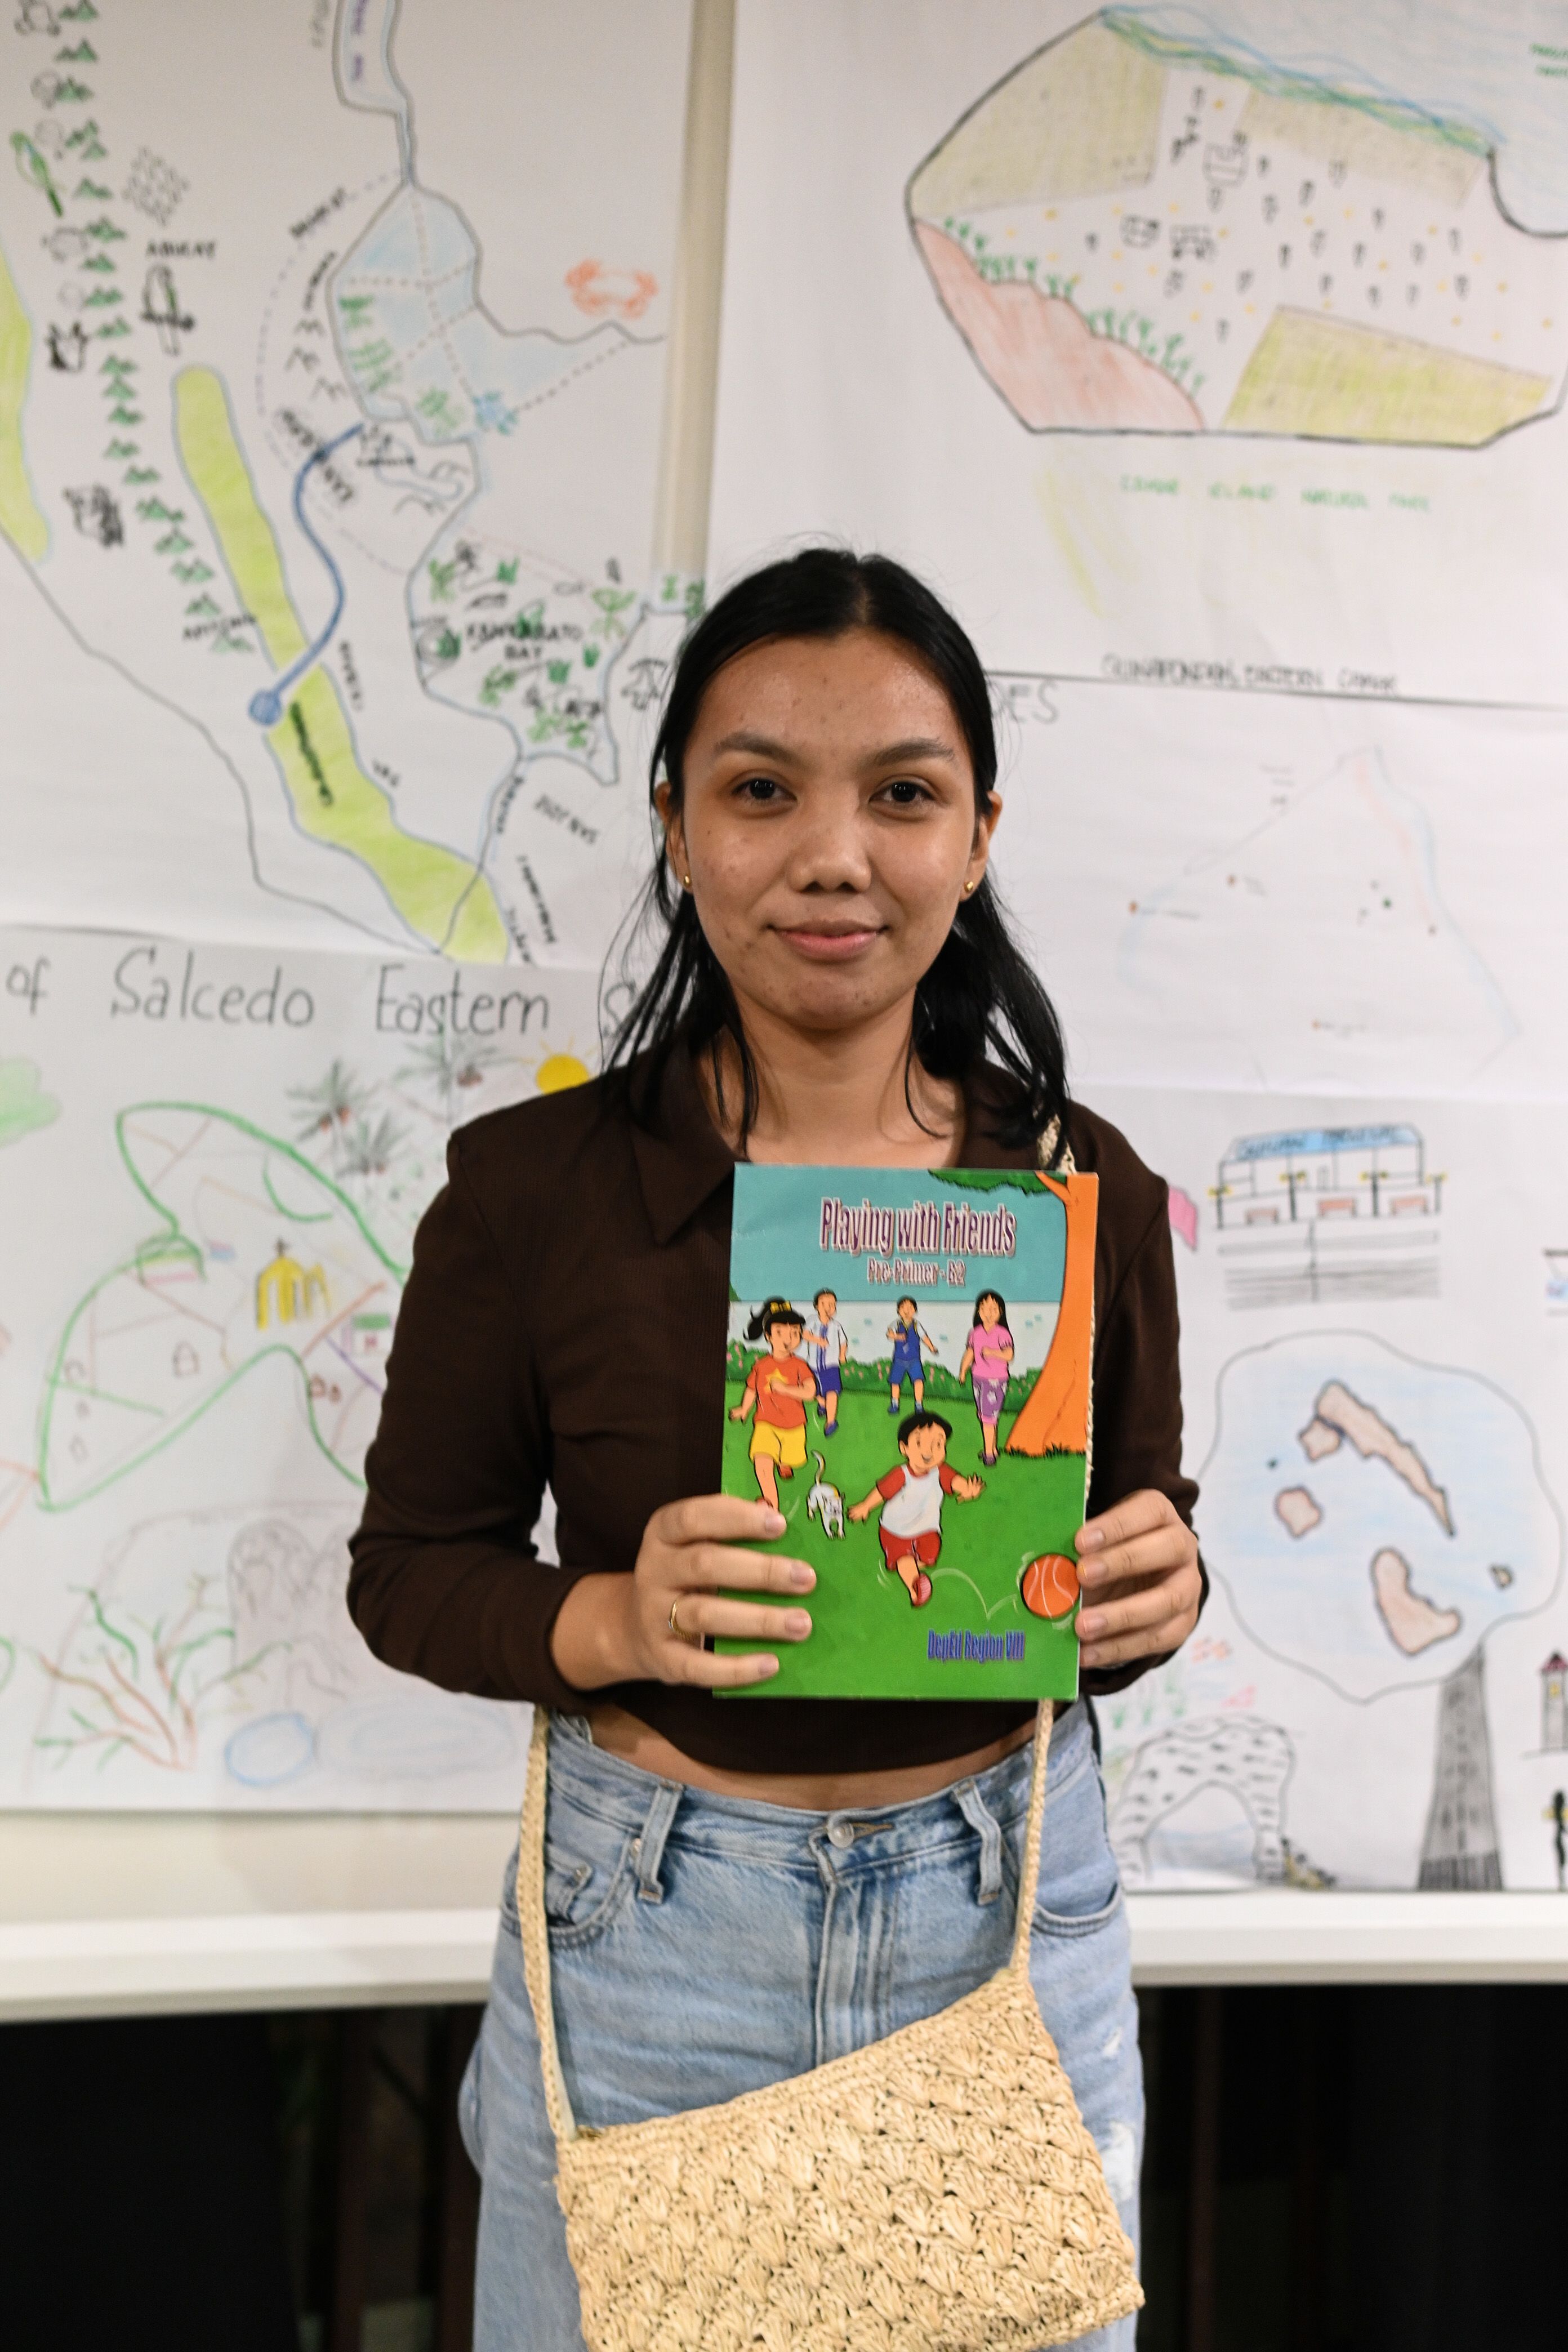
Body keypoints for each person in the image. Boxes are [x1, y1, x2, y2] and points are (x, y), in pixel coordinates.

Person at [348, 548, 1205, 2352]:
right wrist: (610, 1622)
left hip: (1005, 1921)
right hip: (649, 1931)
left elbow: (1133, 1537)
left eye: (903, 793)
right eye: (760, 790)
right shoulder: (531, 1193)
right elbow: (411, 1573)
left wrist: (1159, 1577)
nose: (834, 855)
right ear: (674, 823)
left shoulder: (1082, 1191)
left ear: (977, 834)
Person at [848, 1408, 983, 1604]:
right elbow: (882, 1492)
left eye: (938, 1444)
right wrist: (866, 1506)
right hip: (896, 1530)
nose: (929, 1451)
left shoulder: (941, 1471)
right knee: (904, 1560)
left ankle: (915, 1568)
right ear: (904, 1448)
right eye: (920, 1443)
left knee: (929, 1556)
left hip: (926, 1528)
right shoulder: (901, 1474)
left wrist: (968, 1489)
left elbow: (956, 1482)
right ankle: (915, 1588)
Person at [728, 1295, 817, 1509]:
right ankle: (772, 1506)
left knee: (792, 1457)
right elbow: (751, 1389)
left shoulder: (800, 1365)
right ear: (768, 1336)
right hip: (765, 1423)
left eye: (795, 1333)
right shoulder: (761, 1365)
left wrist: (786, 1389)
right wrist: (744, 1409)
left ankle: (784, 1462)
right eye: (780, 1332)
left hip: (794, 1426)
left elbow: (810, 1392)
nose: (788, 1338)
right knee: (762, 1461)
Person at [958, 1285, 1015, 1465]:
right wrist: (963, 1371)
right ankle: (993, 1450)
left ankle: (989, 1454)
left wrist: (992, 1353)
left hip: (996, 1380)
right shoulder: (975, 1333)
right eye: (984, 1308)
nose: (988, 1313)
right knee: (986, 1415)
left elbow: (1009, 1355)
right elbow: (969, 1353)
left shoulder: (1002, 1333)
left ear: (1001, 1312)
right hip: (978, 1378)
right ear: (978, 1311)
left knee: (988, 1418)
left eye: (993, 1309)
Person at [805, 1284, 848, 1432]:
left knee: (832, 1391)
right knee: (813, 1391)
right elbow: (804, 1334)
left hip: (831, 1365)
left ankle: (831, 1422)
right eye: (824, 1303)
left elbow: (844, 1342)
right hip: (813, 1365)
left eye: (832, 1304)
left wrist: (842, 1355)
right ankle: (822, 1403)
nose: (829, 1307)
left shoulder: (836, 1325)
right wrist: (818, 1340)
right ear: (817, 1306)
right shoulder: (812, 1321)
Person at [885, 1293, 937, 1413]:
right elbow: (889, 1334)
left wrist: (931, 1347)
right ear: (899, 1311)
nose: (907, 1310)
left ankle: (919, 1405)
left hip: (914, 1360)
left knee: (918, 1381)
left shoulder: (917, 1325)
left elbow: (924, 1337)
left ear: (915, 1311)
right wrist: (897, 1336)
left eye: (910, 1308)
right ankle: (895, 1404)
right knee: (895, 1382)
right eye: (903, 1308)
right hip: (899, 1359)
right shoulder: (896, 1324)